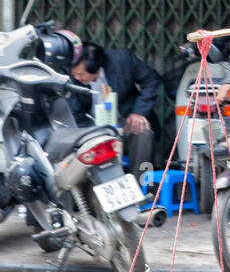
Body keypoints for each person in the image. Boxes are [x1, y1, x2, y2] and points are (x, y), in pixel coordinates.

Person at [69, 41, 162, 177]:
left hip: (124, 117)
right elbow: (73, 108)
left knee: (142, 132)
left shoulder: (122, 60)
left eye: (81, 75)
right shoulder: (71, 74)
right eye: (75, 74)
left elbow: (151, 80)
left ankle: (138, 183)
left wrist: (138, 113)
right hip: (90, 123)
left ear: (95, 68)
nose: (76, 78)